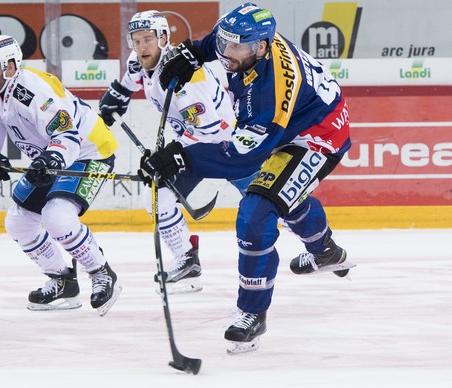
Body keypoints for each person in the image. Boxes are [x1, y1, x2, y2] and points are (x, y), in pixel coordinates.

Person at [139, 3, 355, 353]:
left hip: (319, 135)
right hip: (296, 117)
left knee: (257, 210)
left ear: (260, 47)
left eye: (236, 47)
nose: (226, 53)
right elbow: (221, 42)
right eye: (225, 44)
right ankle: (325, 250)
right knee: (284, 195)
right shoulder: (249, 43)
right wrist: (195, 51)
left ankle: (252, 312)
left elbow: (242, 158)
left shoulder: (270, 92)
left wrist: (181, 158)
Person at [98, 10, 255, 294]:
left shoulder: (186, 82)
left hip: (229, 145)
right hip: (198, 140)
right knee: (157, 196)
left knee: (271, 204)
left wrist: (173, 154)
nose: (141, 46)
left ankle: (320, 244)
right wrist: (118, 94)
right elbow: (132, 77)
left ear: (164, 38)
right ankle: (186, 260)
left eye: (148, 39)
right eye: (135, 40)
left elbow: (210, 133)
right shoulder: (139, 60)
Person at [0, 34, 121, 316]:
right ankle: (62, 280)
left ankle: (101, 272)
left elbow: (67, 135)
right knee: (18, 223)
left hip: (89, 152)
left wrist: (51, 158)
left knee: (57, 217)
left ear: (10, 66)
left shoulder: (35, 89)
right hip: (51, 158)